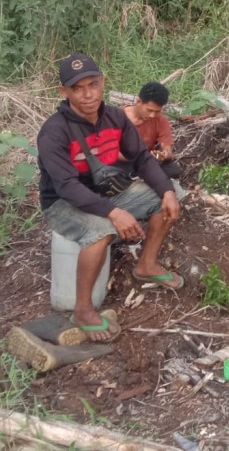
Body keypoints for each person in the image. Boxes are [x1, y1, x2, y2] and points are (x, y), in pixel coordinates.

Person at [37, 54, 183, 342]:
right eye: (77, 88)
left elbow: (141, 158)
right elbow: (66, 185)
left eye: (93, 84)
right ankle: (83, 309)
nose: (88, 94)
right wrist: (114, 213)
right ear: (63, 92)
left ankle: (147, 265)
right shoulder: (54, 131)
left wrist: (166, 191)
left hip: (104, 193)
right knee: (100, 231)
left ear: (102, 83)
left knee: (170, 195)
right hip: (62, 203)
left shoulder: (115, 118)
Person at [124, 81, 181, 179]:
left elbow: (167, 148)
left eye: (157, 111)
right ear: (138, 102)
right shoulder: (119, 117)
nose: (152, 115)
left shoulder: (161, 120)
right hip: (123, 160)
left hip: (144, 161)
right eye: (149, 110)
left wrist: (164, 155)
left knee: (173, 170)